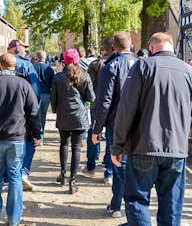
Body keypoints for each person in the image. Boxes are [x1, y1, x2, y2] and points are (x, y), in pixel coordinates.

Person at [111, 32, 192, 226]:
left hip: (143, 145)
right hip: (176, 148)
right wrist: (179, 125)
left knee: (137, 199)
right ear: (171, 47)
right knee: (171, 203)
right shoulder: (188, 71)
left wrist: (118, 146)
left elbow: (126, 109)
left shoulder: (143, 66)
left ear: (151, 48)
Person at [0, 53, 41, 226]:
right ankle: (14, 218)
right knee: (14, 176)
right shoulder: (24, 84)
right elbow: (33, 112)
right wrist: (37, 134)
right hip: (16, 137)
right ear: (16, 67)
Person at [92, 31, 136, 219]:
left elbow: (104, 102)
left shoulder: (110, 67)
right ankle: (127, 204)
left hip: (116, 123)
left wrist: (96, 129)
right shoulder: (142, 65)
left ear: (113, 48)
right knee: (131, 164)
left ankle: (119, 204)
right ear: (131, 45)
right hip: (138, 122)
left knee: (119, 165)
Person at [51, 48, 95, 194]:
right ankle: (73, 180)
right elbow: (91, 97)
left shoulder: (58, 77)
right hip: (79, 116)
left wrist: (56, 109)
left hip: (63, 114)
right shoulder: (84, 76)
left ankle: (63, 174)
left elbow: (54, 99)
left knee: (64, 144)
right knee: (76, 148)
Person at [7, 39, 41, 191]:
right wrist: (33, 107)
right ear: (16, 48)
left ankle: (7, 175)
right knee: (28, 141)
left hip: (4, 110)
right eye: (24, 48)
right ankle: (23, 172)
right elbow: (35, 90)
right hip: (23, 109)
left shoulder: (0, 64)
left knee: (6, 140)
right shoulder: (27, 65)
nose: (26, 51)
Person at [81, 37, 113, 180]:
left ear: (103, 49)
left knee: (94, 134)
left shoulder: (96, 64)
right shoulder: (119, 63)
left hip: (96, 104)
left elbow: (87, 84)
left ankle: (91, 166)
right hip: (114, 106)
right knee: (112, 137)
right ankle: (109, 170)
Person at [33, 50, 55, 138]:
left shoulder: (33, 67)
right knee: (43, 116)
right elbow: (53, 83)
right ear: (45, 57)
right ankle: (41, 137)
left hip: (35, 94)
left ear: (37, 57)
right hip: (46, 93)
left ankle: (36, 136)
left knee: (35, 115)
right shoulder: (49, 68)